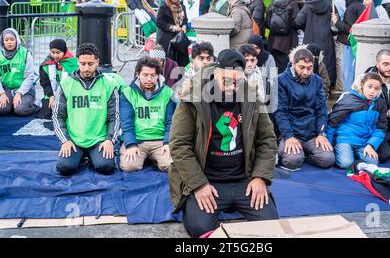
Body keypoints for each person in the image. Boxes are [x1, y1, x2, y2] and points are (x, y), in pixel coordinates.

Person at [169, 49, 279, 238]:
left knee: (270, 226)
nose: (232, 87)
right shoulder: (193, 97)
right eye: (227, 80)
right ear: (216, 73)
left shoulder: (251, 96)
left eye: (237, 81)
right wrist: (198, 184)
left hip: (244, 178)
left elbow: (267, 140)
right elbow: (179, 145)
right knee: (201, 228)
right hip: (207, 180)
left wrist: (260, 177)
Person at [53, 43, 120, 176]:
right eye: (82, 63)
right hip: (74, 140)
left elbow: (115, 116)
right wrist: (65, 140)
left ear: (97, 62)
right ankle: (83, 155)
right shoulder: (66, 84)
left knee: (105, 166)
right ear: (77, 61)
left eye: (90, 64)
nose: (86, 68)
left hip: (99, 140)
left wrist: (109, 140)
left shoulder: (109, 84)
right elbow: (57, 116)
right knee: (64, 168)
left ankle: (92, 155)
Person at [275, 48, 335, 171]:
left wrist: (322, 133)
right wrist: (289, 136)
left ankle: (304, 153)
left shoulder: (317, 80)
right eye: (301, 67)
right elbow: (280, 112)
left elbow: (321, 110)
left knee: (328, 159)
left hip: (311, 133)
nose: (306, 72)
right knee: (293, 161)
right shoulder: (281, 80)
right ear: (293, 64)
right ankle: (286, 150)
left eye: (309, 68)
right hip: (291, 132)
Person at [119, 57, 175, 172]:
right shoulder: (128, 93)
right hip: (138, 141)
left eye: (153, 75)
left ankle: (155, 157)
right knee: (129, 166)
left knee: (170, 165)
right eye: (145, 75)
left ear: (158, 76)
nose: (149, 79)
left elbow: (171, 122)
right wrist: (130, 144)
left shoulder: (167, 93)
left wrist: (167, 142)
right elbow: (126, 123)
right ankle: (146, 157)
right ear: (137, 74)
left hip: (160, 141)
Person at [328, 72, 388, 169]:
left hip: (364, 142)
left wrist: (371, 144)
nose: (372, 91)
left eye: (376, 88)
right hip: (345, 139)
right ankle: (353, 160)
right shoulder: (349, 100)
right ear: (362, 85)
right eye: (369, 86)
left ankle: (354, 159)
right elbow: (332, 122)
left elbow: (381, 128)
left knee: (374, 162)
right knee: (345, 163)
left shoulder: (380, 103)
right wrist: (329, 145)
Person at [295, 0, 337, 86]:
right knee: (327, 61)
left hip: (310, 37)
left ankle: (309, 81)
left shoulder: (308, 6)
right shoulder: (330, 4)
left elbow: (298, 21)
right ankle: (328, 83)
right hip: (327, 37)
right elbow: (335, 20)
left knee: (309, 59)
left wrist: (306, 26)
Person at [332, 0, 365, 92]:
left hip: (349, 44)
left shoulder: (351, 8)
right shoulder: (363, 6)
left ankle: (348, 94)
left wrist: (337, 22)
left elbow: (350, 28)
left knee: (348, 72)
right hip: (359, 44)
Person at [0, 28, 38, 117]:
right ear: (2, 42)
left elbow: (30, 77)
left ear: (17, 40)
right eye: (6, 40)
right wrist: (1, 93)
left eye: (12, 39)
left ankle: (35, 105)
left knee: (21, 110)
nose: (9, 42)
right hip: (7, 89)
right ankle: (11, 105)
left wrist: (19, 93)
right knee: (2, 109)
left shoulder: (25, 54)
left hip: (24, 90)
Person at [38, 39, 78, 119]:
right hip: (51, 94)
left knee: (65, 113)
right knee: (46, 114)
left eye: (58, 52)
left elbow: (76, 84)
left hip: (69, 96)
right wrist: (51, 96)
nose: (55, 56)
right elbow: (45, 83)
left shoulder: (73, 64)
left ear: (64, 51)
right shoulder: (46, 64)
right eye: (53, 52)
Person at [266, 0, 301, 73]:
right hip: (289, 41)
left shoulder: (273, 2)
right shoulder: (293, 3)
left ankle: (274, 86)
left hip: (273, 40)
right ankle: (284, 86)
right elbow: (297, 22)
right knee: (287, 68)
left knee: (274, 67)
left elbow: (267, 23)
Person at [156, 0, 189, 67]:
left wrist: (184, 27)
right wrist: (173, 27)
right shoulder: (164, 7)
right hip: (167, 40)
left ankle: (180, 78)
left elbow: (185, 20)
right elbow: (159, 22)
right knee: (169, 64)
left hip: (179, 40)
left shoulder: (182, 7)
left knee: (181, 63)